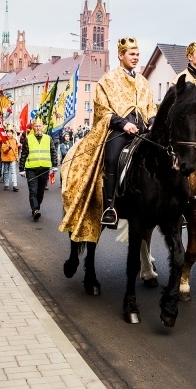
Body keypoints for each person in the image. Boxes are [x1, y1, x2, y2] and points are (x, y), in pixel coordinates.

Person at [60, 36, 157, 239]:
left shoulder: (143, 81)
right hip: (120, 130)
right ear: (120, 55)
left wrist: (154, 121)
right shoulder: (108, 80)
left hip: (142, 131)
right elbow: (102, 110)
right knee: (112, 158)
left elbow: (151, 108)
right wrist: (124, 124)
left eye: (138, 54)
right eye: (132, 54)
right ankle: (110, 207)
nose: (136, 58)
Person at [19, 119, 58, 221]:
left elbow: (53, 152)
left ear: (43, 127)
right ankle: (35, 210)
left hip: (44, 169)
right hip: (31, 169)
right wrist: (21, 169)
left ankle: (37, 207)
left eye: (40, 126)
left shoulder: (48, 138)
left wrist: (55, 165)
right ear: (33, 128)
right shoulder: (28, 139)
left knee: (40, 192)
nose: (38, 128)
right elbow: (24, 154)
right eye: (36, 126)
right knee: (33, 191)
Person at [0, 127, 20, 192]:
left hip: (13, 159)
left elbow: (16, 150)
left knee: (13, 172)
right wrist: (8, 148)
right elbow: (4, 150)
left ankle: (15, 185)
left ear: (12, 133)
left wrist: (17, 157)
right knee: (6, 172)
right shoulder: (4, 141)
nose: (9, 134)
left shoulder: (14, 141)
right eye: (8, 132)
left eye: (10, 132)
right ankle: (6, 184)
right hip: (6, 159)